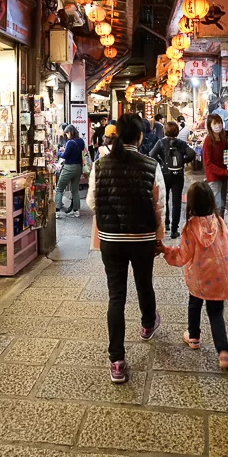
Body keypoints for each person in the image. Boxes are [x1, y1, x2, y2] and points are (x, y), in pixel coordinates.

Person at [87, 113, 165, 384]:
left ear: (117, 135)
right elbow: (160, 205)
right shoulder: (151, 164)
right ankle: (146, 325)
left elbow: (91, 202)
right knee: (144, 283)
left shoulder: (100, 165)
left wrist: (110, 218)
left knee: (116, 296)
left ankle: (117, 361)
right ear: (141, 136)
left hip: (111, 240)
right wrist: (158, 235)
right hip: (142, 238)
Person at [157, 181, 228, 370]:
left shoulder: (190, 227)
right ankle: (224, 353)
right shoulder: (219, 222)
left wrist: (166, 250)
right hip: (219, 277)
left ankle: (193, 337)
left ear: (190, 204)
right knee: (216, 313)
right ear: (211, 200)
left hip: (199, 278)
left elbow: (183, 255)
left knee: (194, 304)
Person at [150, 120, 195, 239]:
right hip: (178, 175)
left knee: (165, 199)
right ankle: (175, 230)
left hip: (165, 174)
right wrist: (183, 161)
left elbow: (151, 155)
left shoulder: (161, 142)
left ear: (166, 131)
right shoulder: (181, 143)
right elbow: (192, 154)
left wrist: (162, 163)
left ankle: (166, 224)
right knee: (177, 202)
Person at [55, 124, 85, 219]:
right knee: (75, 190)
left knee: (59, 188)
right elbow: (77, 152)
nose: (66, 136)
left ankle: (57, 211)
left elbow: (64, 156)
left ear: (70, 132)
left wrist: (58, 152)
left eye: (66, 133)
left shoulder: (70, 142)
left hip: (69, 168)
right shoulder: (81, 141)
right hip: (78, 167)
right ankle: (76, 211)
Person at [203, 114, 228, 218]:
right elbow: (207, 163)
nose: (218, 125)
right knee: (217, 205)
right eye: (215, 123)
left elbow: (227, 155)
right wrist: (224, 172)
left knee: (222, 206)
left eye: (219, 122)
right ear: (210, 125)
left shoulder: (223, 139)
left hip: (224, 176)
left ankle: (220, 228)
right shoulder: (208, 140)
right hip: (213, 177)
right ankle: (214, 230)